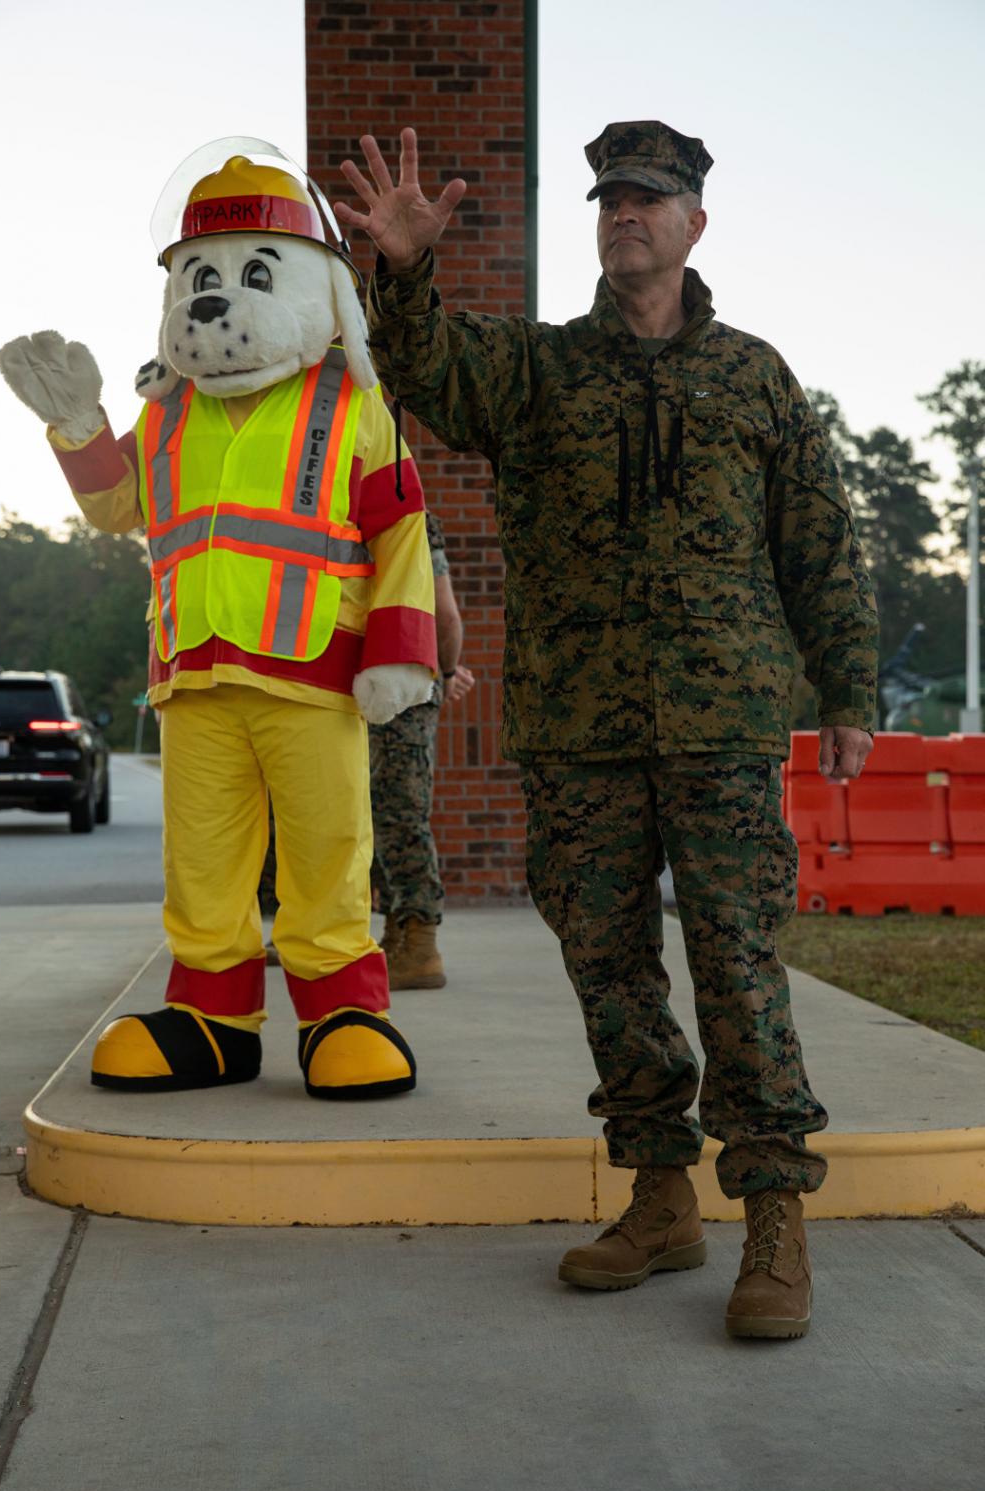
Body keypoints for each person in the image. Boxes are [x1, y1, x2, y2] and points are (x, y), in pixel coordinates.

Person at [335, 122, 878, 1339]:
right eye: (609, 198)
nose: (624, 212)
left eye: (651, 198)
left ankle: (776, 1218)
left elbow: (819, 543)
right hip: (580, 728)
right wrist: (406, 271)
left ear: (694, 225)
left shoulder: (756, 378)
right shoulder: (536, 370)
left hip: (725, 724)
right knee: (609, 968)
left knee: (738, 965)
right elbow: (422, 370)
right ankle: (660, 1196)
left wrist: (846, 693)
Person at [370, 508, 475, 989]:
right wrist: (446, 670)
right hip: (394, 681)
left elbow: (445, 612)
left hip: (398, 685)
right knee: (384, 814)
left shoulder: (404, 513)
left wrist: (446, 672)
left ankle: (421, 944)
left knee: (397, 813)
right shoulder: (398, 504)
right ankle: (399, 935)